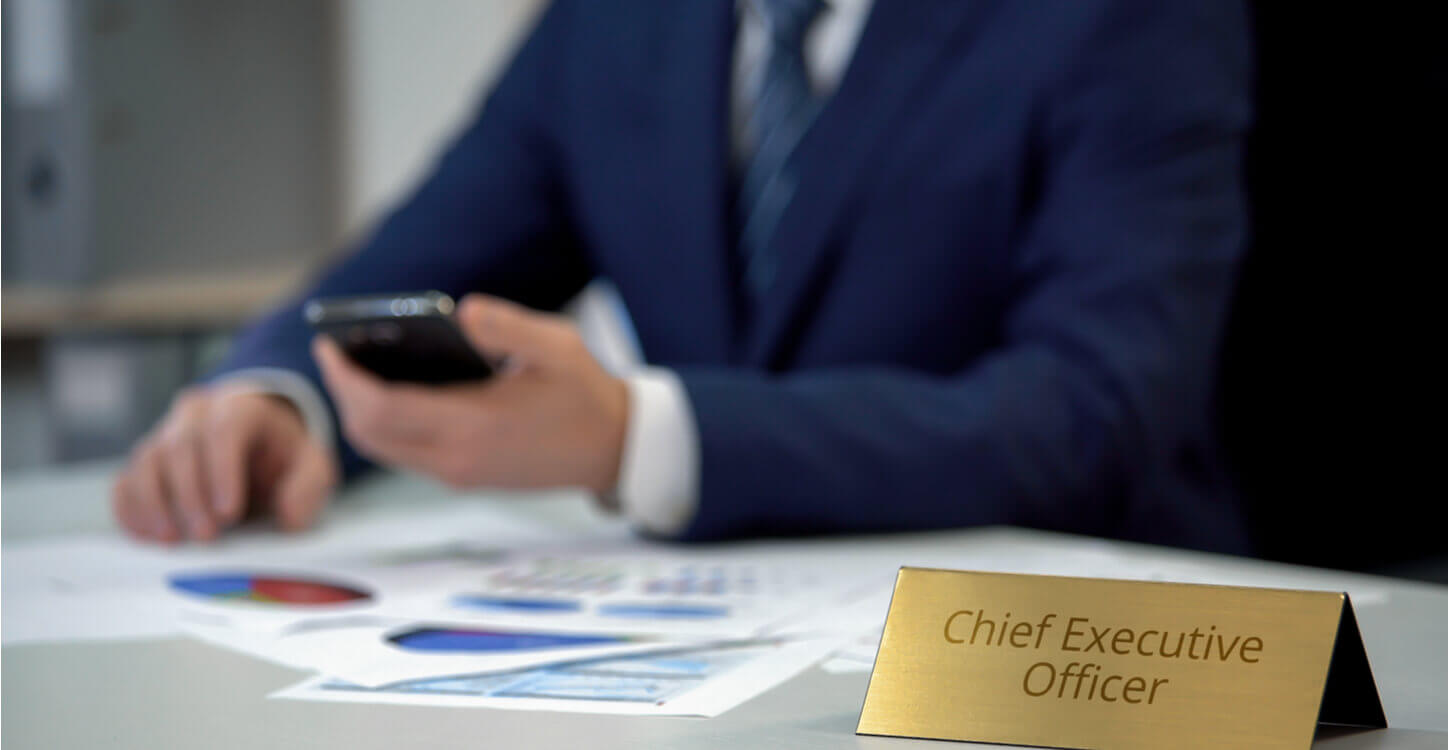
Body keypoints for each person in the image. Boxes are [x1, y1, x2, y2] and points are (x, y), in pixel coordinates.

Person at [111, 0, 1252, 553]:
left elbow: (1098, 411)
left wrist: (640, 436)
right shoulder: (617, 23)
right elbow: (407, 268)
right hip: (723, 660)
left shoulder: (1124, 15)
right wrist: (274, 396)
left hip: (1080, 649)